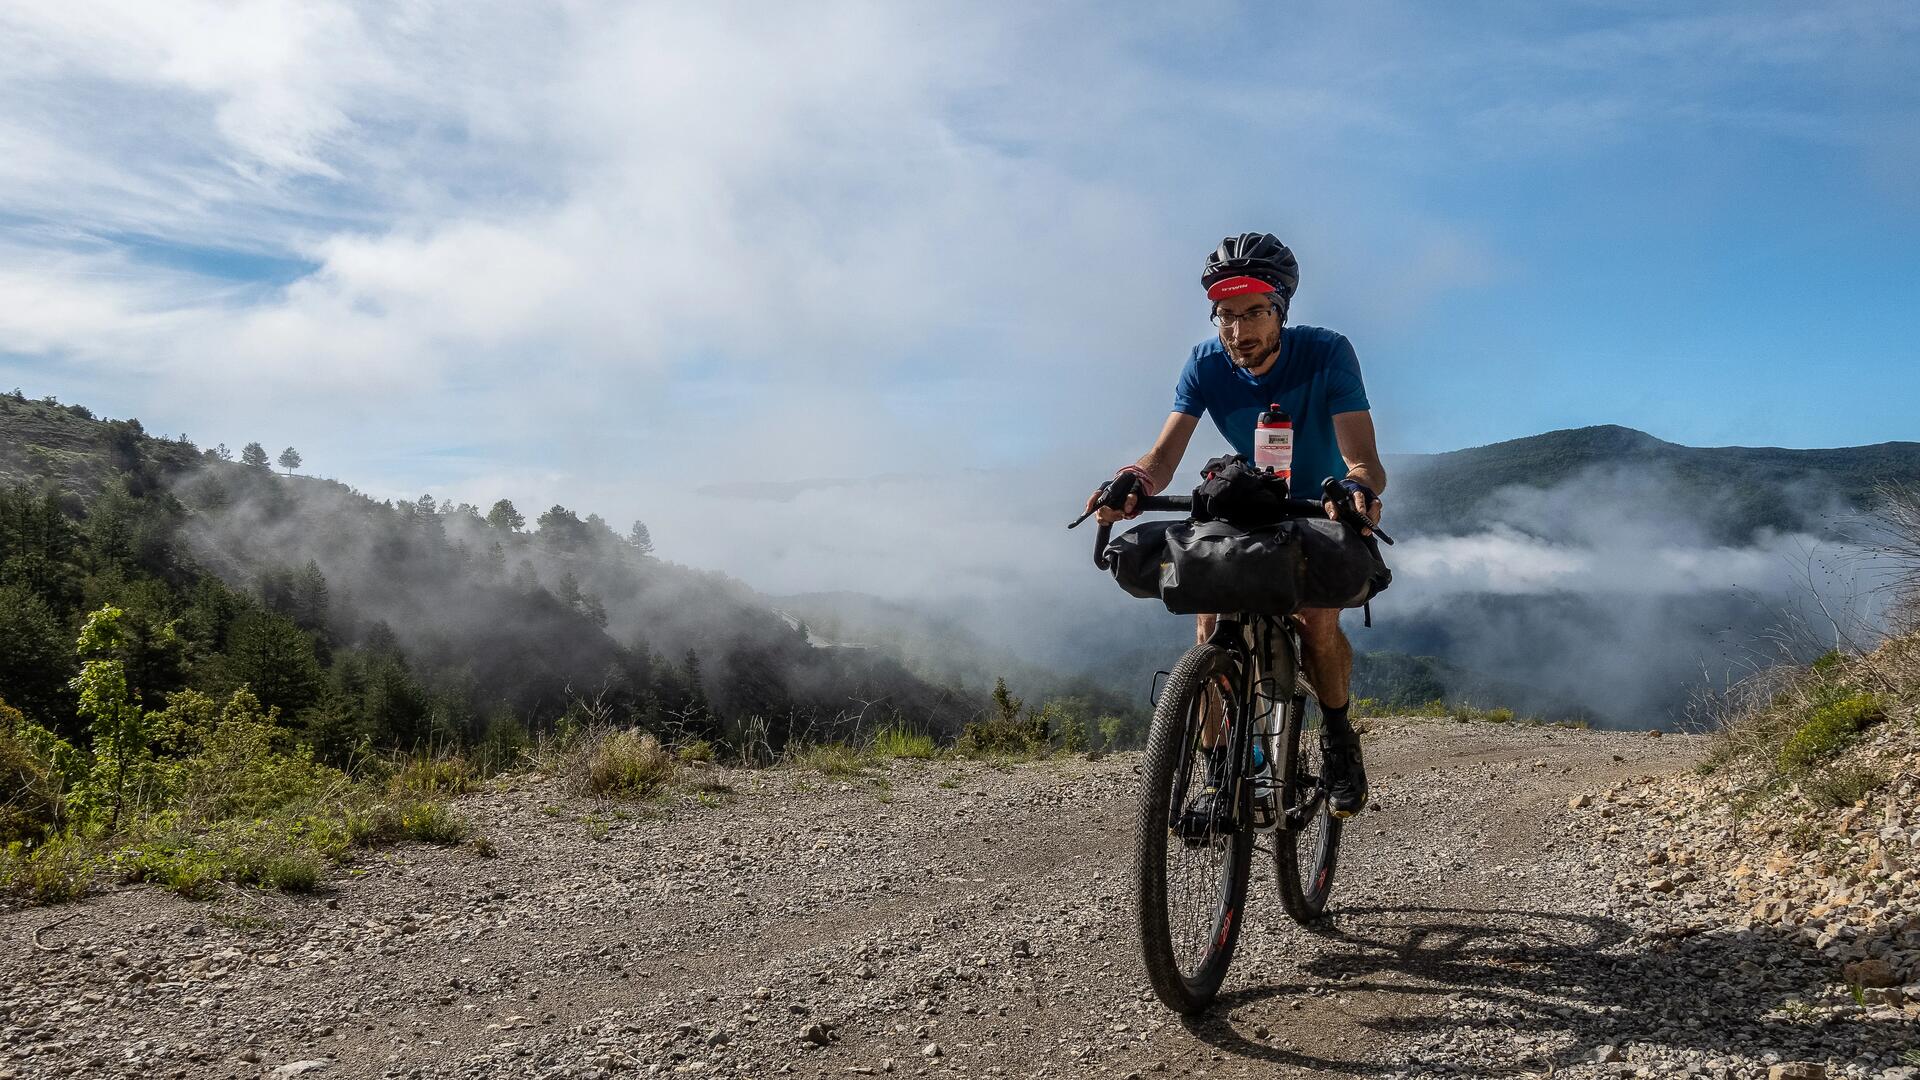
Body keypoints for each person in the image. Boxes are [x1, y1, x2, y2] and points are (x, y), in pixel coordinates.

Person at [1083, 231, 1385, 817]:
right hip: (1248, 501)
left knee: (1318, 623)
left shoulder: (1326, 353)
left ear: (1281, 310)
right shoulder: (1204, 362)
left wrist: (1357, 491)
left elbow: (1364, 461)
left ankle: (1339, 739)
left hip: (1317, 506)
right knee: (1207, 628)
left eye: (1252, 313)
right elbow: (1163, 457)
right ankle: (1223, 774)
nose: (1237, 331)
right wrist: (1133, 483)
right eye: (1224, 314)